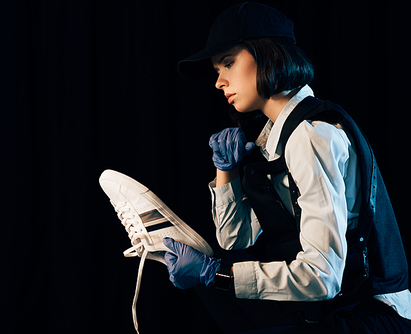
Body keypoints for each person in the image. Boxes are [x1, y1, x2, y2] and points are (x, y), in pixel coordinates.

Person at [164, 2, 411, 333]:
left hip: (370, 314)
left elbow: (322, 277)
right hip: (337, 306)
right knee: (216, 287)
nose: (219, 82)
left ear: (268, 55)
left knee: (218, 283)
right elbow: (236, 241)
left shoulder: (310, 135)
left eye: (228, 63)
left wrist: (216, 274)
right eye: (217, 70)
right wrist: (227, 172)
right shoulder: (275, 136)